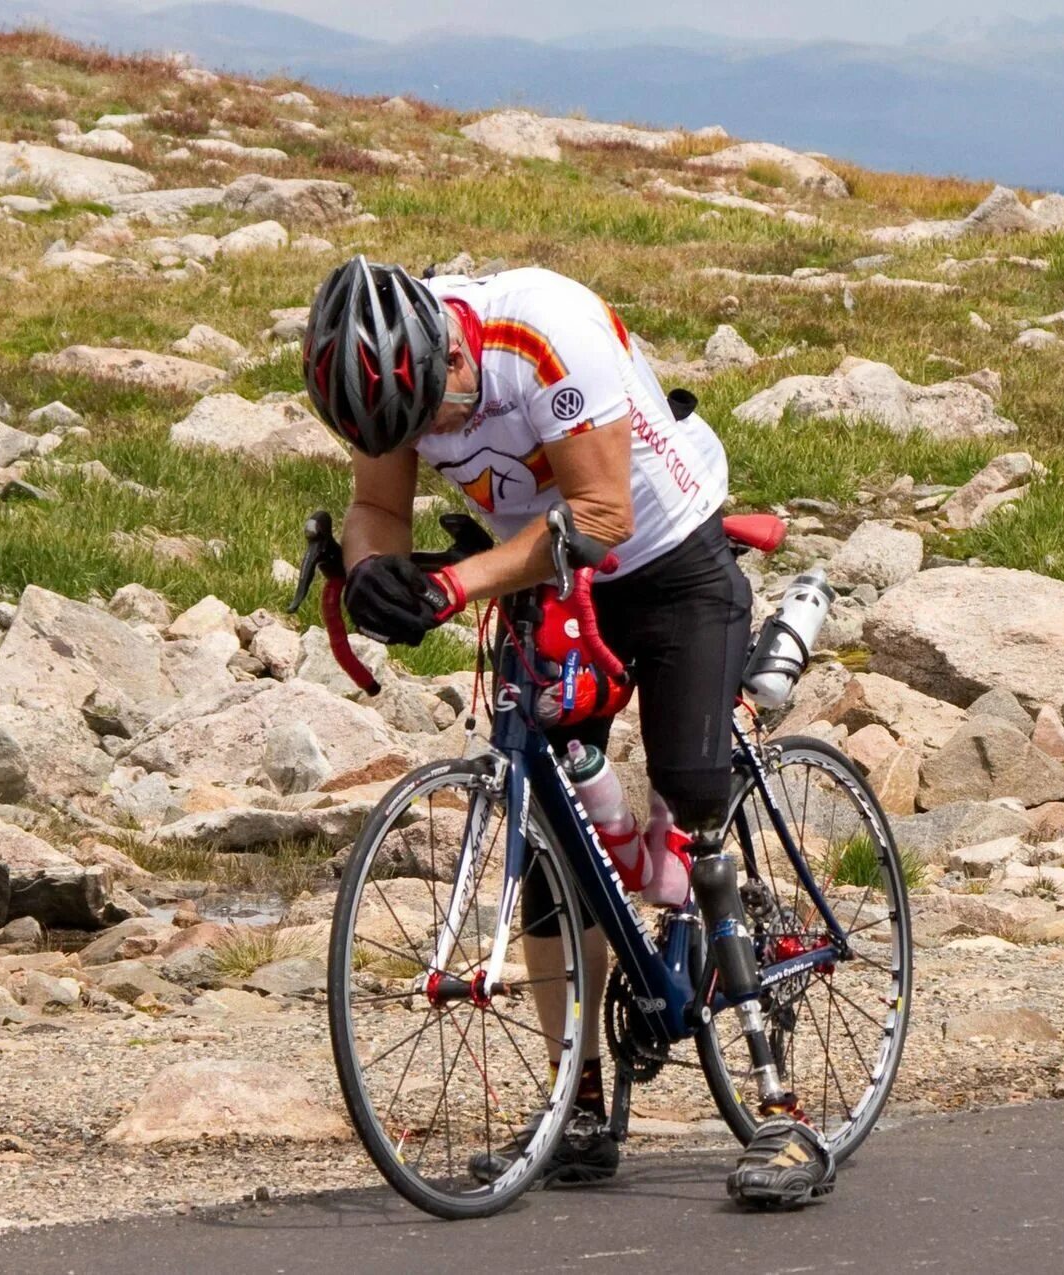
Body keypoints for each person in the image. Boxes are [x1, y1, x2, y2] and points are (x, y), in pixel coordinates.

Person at [301, 255, 835, 1209]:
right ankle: (576, 1103)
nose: (425, 436)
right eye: (402, 431)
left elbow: (601, 513)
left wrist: (456, 583)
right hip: (548, 580)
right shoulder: (387, 385)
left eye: (430, 413)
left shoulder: (542, 328)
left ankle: (781, 1110)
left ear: (449, 349)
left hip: (668, 560)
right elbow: (376, 508)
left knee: (695, 800)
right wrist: (373, 568)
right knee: (550, 843)